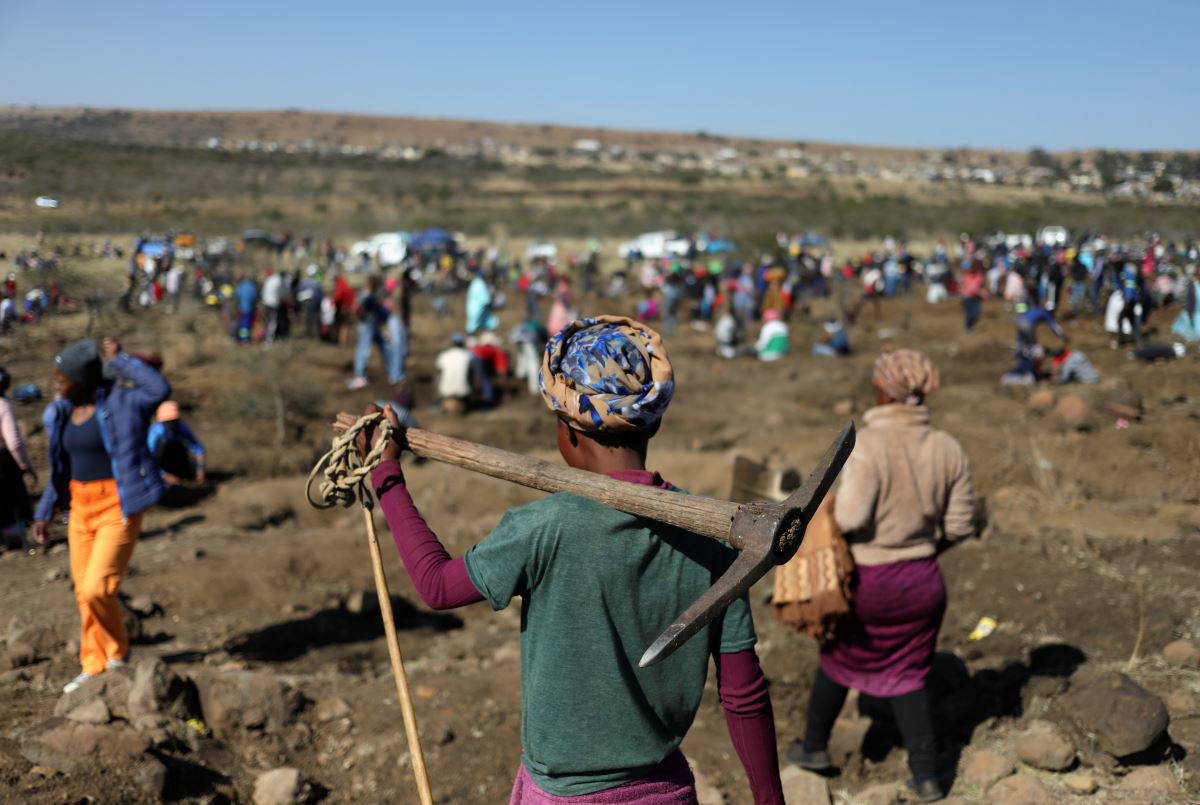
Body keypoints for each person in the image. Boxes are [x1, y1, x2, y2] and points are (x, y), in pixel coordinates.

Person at [337, 315, 783, 803]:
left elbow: (438, 586)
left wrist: (387, 475)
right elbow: (743, 696)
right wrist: (769, 799)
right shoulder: (713, 538)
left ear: (568, 434)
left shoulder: (544, 529)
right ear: (650, 421)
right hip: (665, 791)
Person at [790, 350, 975, 803]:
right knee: (910, 674)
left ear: (882, 390)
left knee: (837, 660)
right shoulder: (946, 447)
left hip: (870, 584)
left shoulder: (867, 445)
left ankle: (814, 747)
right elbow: (960, 526)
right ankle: (928, 777)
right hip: (923, 582)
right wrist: (920, 551)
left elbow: (851, 518)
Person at [33, 338, 170, 693]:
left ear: (81, 380)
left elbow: (159, 388)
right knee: (83, 592)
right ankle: (93, 664)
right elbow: (61, 470)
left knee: (97, 587)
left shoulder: (123, 402)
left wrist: (119, 359)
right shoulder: (62, 413)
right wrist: (45, 511)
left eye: (61, 379)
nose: (56, 385)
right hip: (80, 506)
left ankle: (117, 653)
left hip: (117, 503)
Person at [0, 367, 36, 548]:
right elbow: (14, 443)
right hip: (2, 461)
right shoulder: (3, 405)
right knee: (10, 501)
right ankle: (13, 540)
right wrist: (25, 465)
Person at [347, 275, 391, 390]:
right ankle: (361, 376)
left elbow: (356, 307)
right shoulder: (368, 295)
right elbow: (356, 307)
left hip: (370, 324)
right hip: (368, 324)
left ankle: (390, 370)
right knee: (365, 349)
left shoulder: (369, 294)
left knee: (376, 347)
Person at [147, 401, 206, 485]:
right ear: (162, 422)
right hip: (158, 463)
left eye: (174, 421)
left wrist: (200, 469)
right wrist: (163, 475)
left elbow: (197, 447)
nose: (172, 424)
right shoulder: (156, 432)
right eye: (168, 422)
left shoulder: (180, 426)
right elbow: (148, 457)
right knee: (162, 443)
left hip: (175, 456)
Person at [435, 333, 475, 413]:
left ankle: (436, 400)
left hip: (445, 391)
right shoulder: (468, 355)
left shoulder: (444, 355)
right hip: (463, 392)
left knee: (438, 376)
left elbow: (438, 371)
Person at [466, 269, 498, 334]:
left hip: (472, 308)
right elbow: (485, 300)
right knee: (478, 324)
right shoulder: (480, 284)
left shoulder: (474, 283)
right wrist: (491, 306)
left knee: (473, 323)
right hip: (478, 308)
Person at [960, 262, 986, 332]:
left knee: (977, 313)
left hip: (976, 298)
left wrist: (983, 293)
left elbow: (982, 286)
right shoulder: (966, 276)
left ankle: (971, 325)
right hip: (967, 298)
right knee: (969, 314)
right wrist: (962, 295)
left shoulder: (979, 276)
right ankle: (968, 327)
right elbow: (963, 287)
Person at [233, 274, 258, 343]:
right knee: (246, 324)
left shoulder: (241, 286)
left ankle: (243, 338)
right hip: (249, 308)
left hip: (242, 308)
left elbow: (236, 295)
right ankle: (244, 338)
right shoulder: (252, 287)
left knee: (243, 324)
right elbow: (255, 297)